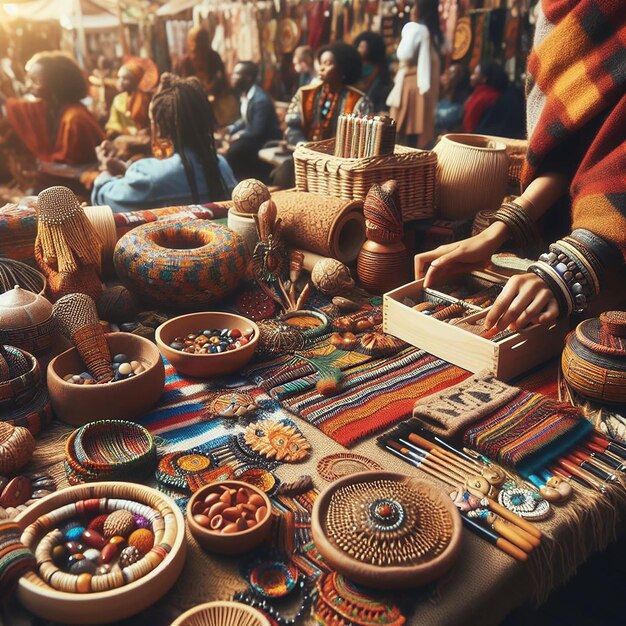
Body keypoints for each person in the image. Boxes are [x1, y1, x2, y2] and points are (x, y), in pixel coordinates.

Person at [415, 0, 625, 333]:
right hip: (577, 253)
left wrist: (571, 268)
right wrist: (496, 232)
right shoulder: (552, 11)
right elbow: (563, 153)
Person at [91, 73, 236, 213]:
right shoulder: (221, 166)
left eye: (152, 122)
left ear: (160, 129)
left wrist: (105, 169)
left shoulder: (148, 176)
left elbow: (104, 199)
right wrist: (126, 169)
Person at [5, 52, 104, 165]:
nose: (28, 86)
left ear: (56, 85)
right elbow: (21, 108)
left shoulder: (74, 119)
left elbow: (76, 166)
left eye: (36, 82)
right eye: (28, 80)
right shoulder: (54, 107)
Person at [285, 42, 372, 146]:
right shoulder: (305, 94)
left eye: (327, 64)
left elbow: (360, 140)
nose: (321, 68)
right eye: (321, 63)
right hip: (305, 154)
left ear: (342, 68)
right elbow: (293, 127)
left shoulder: (359, 101)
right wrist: (301, 143)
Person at [386, 0, 442, 148]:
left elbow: (404, 53)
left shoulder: (415, 29)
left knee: (401, 132)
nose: (412, 10)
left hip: (411, 84)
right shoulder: (435, 35)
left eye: (415, 6)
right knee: (415, 132)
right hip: (421, 86)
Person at [222, 61, 282, 182]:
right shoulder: (246, 95)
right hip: (254, 136)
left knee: (235, 150)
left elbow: (257, 129)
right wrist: (230, 128)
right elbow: (246, 119)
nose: (232, 77)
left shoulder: (260, 99)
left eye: (236, 74)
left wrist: (238, 135)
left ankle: (246, 182)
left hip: (265, 139)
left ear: (248, 78)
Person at [174, 27, 238, 128]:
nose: (199, 55)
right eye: (196, 49)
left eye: (202, 47)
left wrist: (214, 89)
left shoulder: (214, 57)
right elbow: (178, 88)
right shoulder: (183, 63)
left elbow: (223, 82)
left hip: (215, 107)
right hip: (192, 109)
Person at [105, 59, 152, 139]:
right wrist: (125, 130)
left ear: (136, 80)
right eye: (119, 78)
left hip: (144, 139)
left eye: (125, 79)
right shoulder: (117, 99)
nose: (120, 82)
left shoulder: (146, 99)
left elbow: (151, 123)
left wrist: (148, 130)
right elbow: (113, 123)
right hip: (124, 138)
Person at [462, 62, 508, 133]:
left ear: (484, 79)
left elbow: (470, 124)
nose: (471, 77)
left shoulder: (486, 98)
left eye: (475, 74)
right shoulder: (478, 94)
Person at [353, 31, 392, 113]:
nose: (359, 50)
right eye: (359, 46)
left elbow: (365, 87)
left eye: (363, 47)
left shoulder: (377, 68)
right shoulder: (358, 64)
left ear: (371, 49)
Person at [435, 62, 470, 135]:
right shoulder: (438, 95)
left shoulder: (465, 103)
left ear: (460, 79)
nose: (445, 75)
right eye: (446, 72)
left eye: (451, 73)